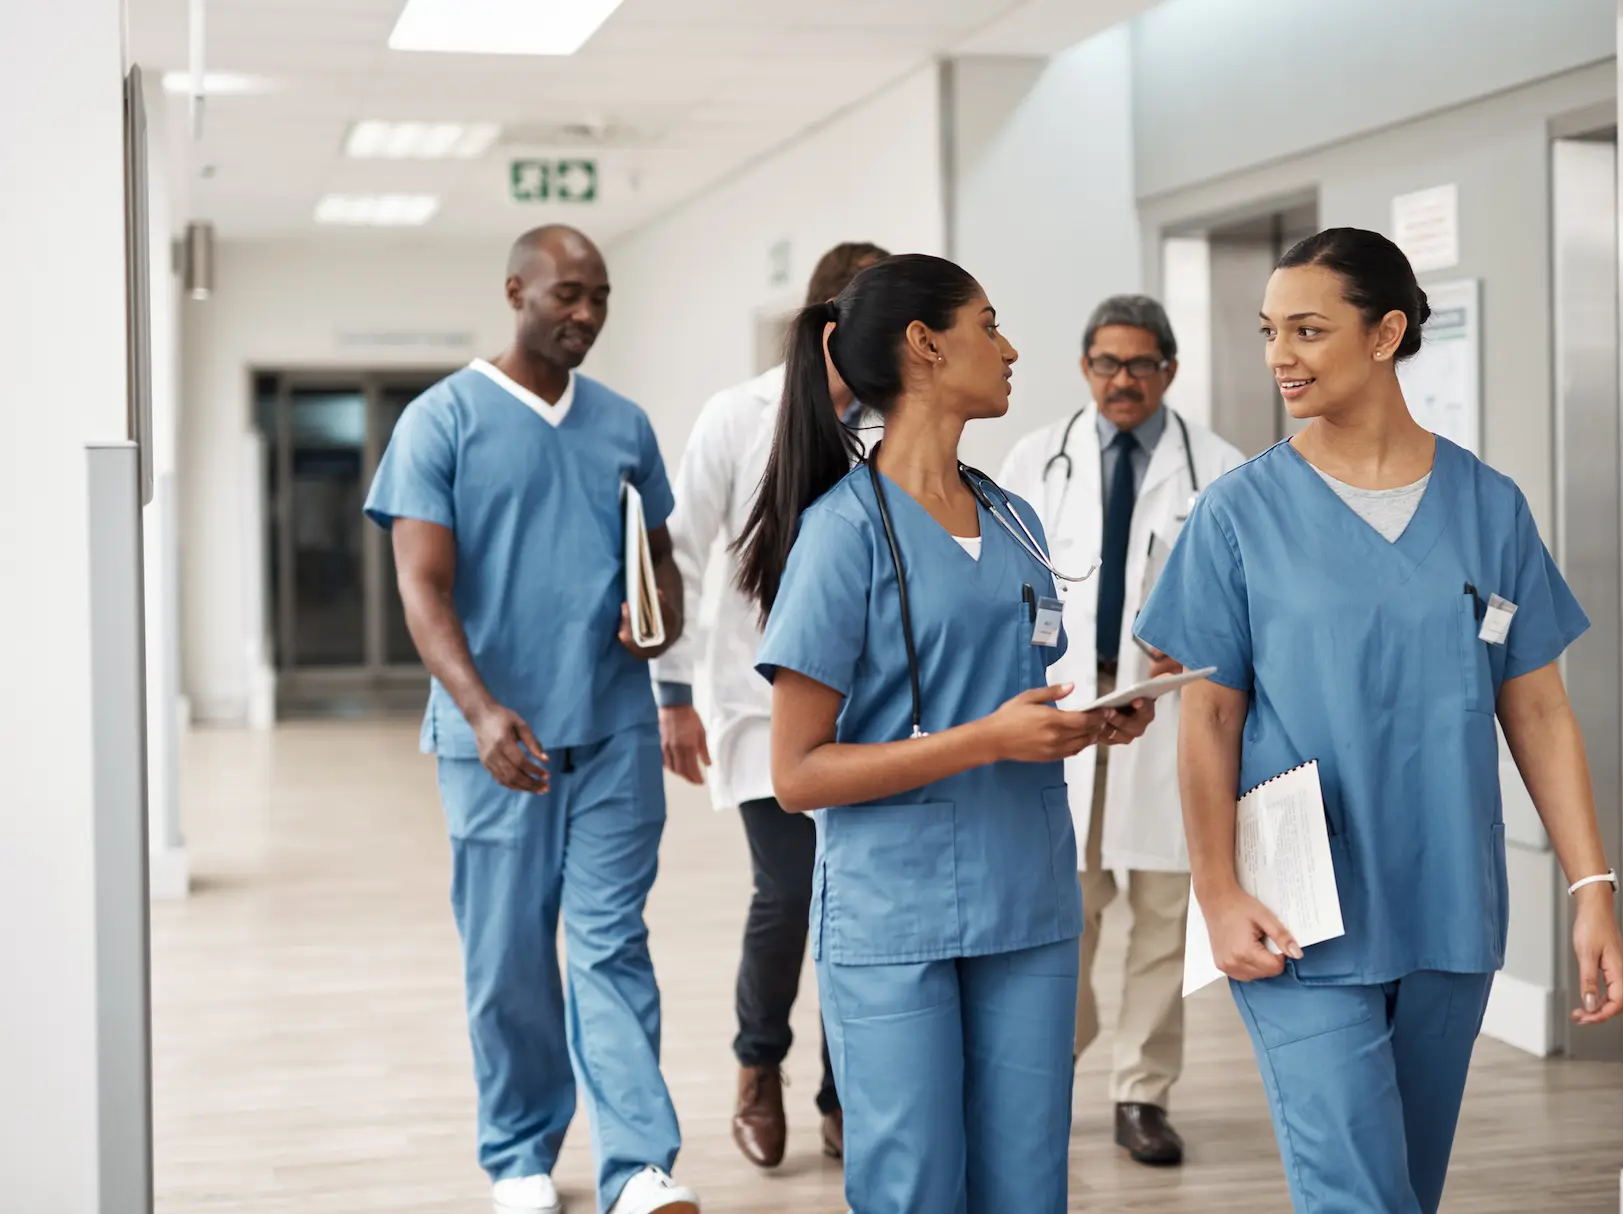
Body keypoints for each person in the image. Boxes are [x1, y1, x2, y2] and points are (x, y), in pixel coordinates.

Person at [1134, 227, 1623, 1214]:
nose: (1282, 354)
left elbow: (1533, 702)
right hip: (1297, 916)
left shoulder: (1488, 506)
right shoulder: (1238, 514)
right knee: (1357, 1195)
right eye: (1271, 329)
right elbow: (1207, 721)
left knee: (1405, 1189)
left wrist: (1591, 885)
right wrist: (1218, 889)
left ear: (1387, 331)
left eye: (1309, 329)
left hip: (1448, 901)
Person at [735, 253, 1156, 1213]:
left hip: (1030, 899)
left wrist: (1091, 716)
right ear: (926, 346)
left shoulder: (1012, 517)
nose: (1011, 349)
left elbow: (1011, 693)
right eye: (989, 324)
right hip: (897, 914)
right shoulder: (842, 536)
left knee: (1025, 1183)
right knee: (915, 1184)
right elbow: (796, 775)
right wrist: (987, 741)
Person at [365, 225, 701, 1214]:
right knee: (508, 953)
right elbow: (422, 588)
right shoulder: (442, 422)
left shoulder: (624, 425)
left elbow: (662, 557)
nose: (585, 315)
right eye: (567, 295)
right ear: (517, 289)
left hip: (613, 729)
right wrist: (479, 709)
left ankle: (636, 1164)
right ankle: (518, 1154)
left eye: (600, 297)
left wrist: (663, 613)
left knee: (609, 944)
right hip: (494, 741)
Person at [651, 240, 888, 1168]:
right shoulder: (736, 415)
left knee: (857, 901)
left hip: (872, 707)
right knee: (789, 893)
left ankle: (843, 1089)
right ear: (828, 326)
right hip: (758, 704)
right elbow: (672, 551)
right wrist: (673, 690)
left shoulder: (896, 417)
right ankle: (759, 1067)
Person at [996, 294, 1243, 1166]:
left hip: (1169, 711)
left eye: (1141, 364)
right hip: (1070, 708)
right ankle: (1057, 1058)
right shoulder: (1038, 458)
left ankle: (1142, 1092)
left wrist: (1187, 649)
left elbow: (1238, 602)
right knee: (1069, 906)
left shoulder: (1218, 467)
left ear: (1169, 369)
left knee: (1165, 916)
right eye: (1106, 363)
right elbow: (1006, 582)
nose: (1122, 380)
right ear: (1085, 368)